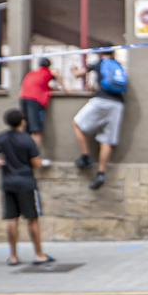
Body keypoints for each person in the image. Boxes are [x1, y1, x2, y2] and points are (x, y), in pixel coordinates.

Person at [0, 108, 54, 266]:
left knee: (12, 219)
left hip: (8, 182)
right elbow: (36, 163)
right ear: (22, 121)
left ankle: (13, 256)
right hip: (26, 183)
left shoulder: (1, 138)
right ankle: (39, 254)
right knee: (32, 219)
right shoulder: (27, 140)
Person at [71, 48, 127, 190]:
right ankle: (101, 173)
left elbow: (79, 75)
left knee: (77, 123)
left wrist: (73, 70)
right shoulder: (118, 65)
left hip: (101, 100)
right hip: (118, 104)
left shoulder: (100, 62)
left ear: (102, 53)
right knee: (107, 140)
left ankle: (85, 157)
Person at [19, 57, 59, 148]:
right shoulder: (48, 72)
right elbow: (60, 81)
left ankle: (22, 156)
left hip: (23, 98)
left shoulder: (31, 73)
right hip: (35, 100)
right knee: (36, 130)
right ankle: (34, 158)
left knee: (25, 128)